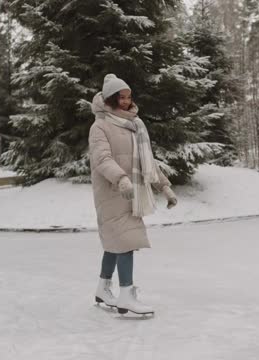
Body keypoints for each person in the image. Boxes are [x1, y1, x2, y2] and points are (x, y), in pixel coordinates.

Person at [89, 74, 178, 315]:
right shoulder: (100, 126)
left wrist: (165, 187)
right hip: (111, 191)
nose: (127, 102)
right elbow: (102, 159)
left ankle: (103, 287)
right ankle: (126, 295)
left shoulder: (135, 125)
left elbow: (148, 160)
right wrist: (120, 179)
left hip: (132, 192)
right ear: (110, 99)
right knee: (125, 242)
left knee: (114, 243)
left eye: (129, 97)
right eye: (122, 98)